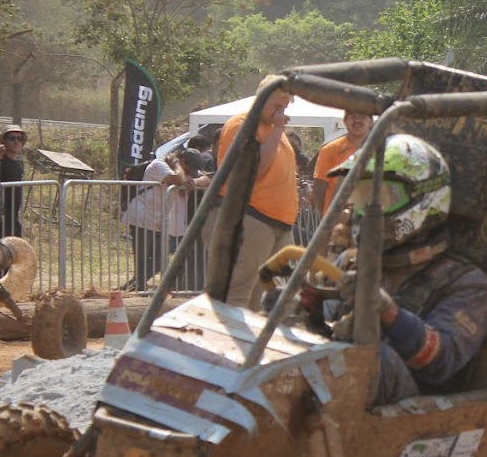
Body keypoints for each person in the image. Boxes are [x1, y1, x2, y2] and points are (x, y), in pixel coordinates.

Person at [328, 134, 487, 404]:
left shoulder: (464, 282)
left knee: (376, 358)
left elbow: (442, 362)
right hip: (337, 398)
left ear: (425, 198)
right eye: (362, 197)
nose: (366, 210)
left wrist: (387, 311)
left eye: (381, 197)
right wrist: (300, 310)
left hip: (415, 409)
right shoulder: (350, 261)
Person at [214, 87, 299, 309]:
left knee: (267, 296)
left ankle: (257, 332)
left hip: (280, 223)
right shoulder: (241, 125)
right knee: (240, 290)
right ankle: (229, 330)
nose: (280, 113)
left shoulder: (273, 130)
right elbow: (256, 168)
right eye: (276, 106)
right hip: (253, 216)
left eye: (284, 108)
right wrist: (278, 130)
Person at [122, 148, 211, 290]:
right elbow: (178, 180)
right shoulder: (159, 165)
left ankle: (133, 285)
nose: (189, 173)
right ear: (182, 161)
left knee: (159, 258)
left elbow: (206, 180)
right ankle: (135, 287)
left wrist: (194, 181)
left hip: (159, 219)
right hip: (142, 216)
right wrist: (176, 164)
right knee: (143, 258)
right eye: (188, 169)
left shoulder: (183, 170)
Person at [312, 111, 374, 216]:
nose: (357, 120)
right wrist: (327, 217)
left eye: (362, 116)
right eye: (352, 117)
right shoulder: (329, 150)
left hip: (371, 216)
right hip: (339, 218)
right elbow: (319, 187)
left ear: (371, 121)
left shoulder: (383, 149)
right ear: (344, 121)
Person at [0, 124, 27, 238]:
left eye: (19, 139)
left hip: (14, 215)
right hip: (1, 216)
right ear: (4, 141)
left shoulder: (19, 163)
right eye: (12, 138)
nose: (16, 141)